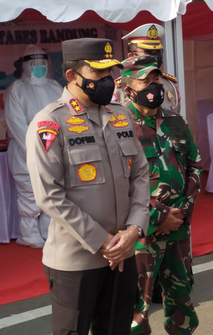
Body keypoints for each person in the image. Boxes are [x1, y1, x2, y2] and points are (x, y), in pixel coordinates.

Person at [26, 38, 150, 335]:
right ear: (72, 76)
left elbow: (141, 174)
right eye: (99, 75)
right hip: (77, 261)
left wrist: (134, 229)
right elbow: (50, 196)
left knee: (116, 329)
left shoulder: (121, 115)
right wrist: (104, 242)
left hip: (123, 255)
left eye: (111, 74)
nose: (109, 81)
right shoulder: (50, 123)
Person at [120, 56, 203, 334]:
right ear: (128, 88)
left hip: (178, 231)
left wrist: (181, 212)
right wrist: (160, 216)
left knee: (183, 305)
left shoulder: (175, 121)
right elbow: (121, 184)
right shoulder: (119, 125)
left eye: (156, 79)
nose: (154, 86)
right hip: (141, 234)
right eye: (146, 81)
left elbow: (196, 164)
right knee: (135, 311)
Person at [5, 45, 61, 248]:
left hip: (54, 149)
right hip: (24, 151)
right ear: (26, 65)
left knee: (52, 190)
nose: (39, 66)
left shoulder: (55, 87)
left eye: (42, 62)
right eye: (33, 62)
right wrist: (35, 151)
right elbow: (17, 125)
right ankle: (27, 234)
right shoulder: (16, 90)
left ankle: (48, 232)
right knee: (29, 192)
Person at [114, 24, 181, 112]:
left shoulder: (170, 84)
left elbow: (176, 115)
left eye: (158, 52)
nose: (155, 57)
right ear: (132, 56)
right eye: (148, 52)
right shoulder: (120, 88)